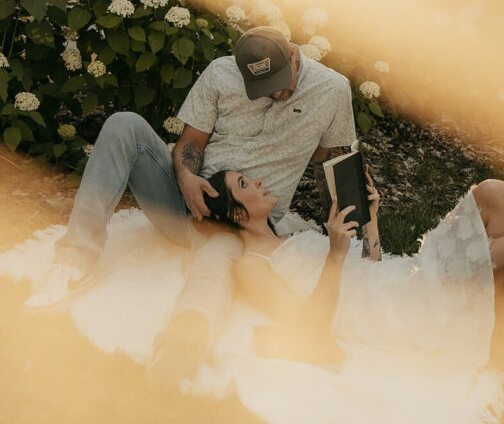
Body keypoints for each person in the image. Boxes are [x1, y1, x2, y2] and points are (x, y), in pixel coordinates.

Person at [203, 167, 504, 424]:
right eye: (245, 184)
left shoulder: (298, 231)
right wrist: (332, 252)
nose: (260, 182)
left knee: (494, 193)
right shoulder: (252, 265)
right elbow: (309, 330)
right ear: (233, 211)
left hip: (393, 282)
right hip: (392, 314)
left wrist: (369, 221)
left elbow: (368, 266)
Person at [27, 27, 358, 380]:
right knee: (124, 124)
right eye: (264, 87)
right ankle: (74, 261)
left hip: (241, 227)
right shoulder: (219, 73)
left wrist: (354, 233)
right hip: (185, 205)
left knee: (211, 272)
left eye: (281, 81)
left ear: (294, 54)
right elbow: (191, 143)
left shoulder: (332, 90)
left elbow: (333, 164)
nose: (277, 92)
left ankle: (180, 346)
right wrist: (185, 180)